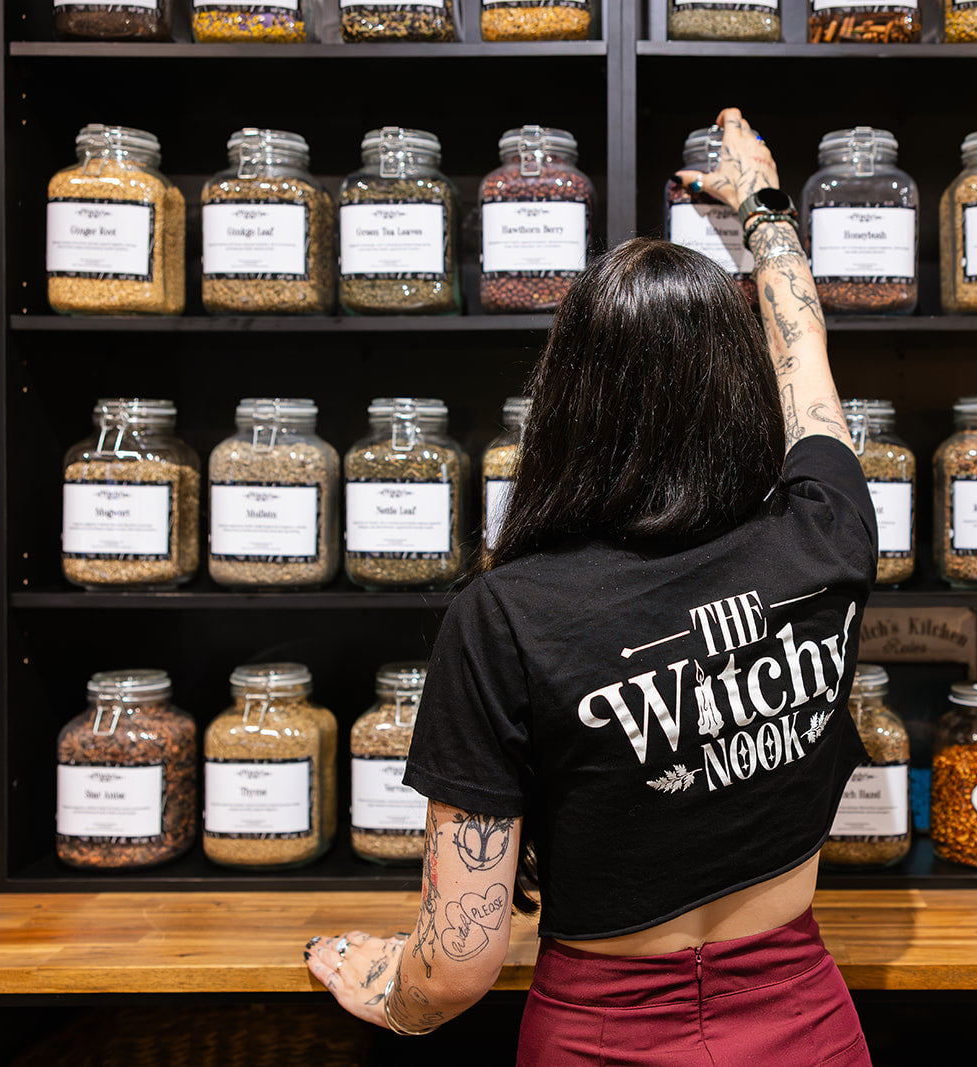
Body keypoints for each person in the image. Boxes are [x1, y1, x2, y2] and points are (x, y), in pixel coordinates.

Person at [306, 107, 877, 1066]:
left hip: (603, 1035)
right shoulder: (821, 534)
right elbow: (806, 365)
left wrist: (385, 990)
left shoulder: (509, 617)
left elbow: (453, 967)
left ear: (566, 399)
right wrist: (763, 209)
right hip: (804, 1023)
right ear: (740, 395)